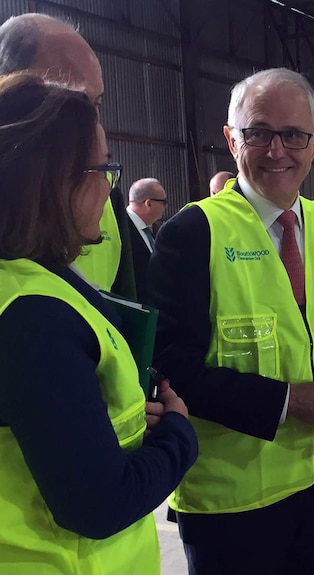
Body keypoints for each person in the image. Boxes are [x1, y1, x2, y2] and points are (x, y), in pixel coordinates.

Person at [148, 67, 314, 575]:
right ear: (231, 139)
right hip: (231, 507)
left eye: (293, 135)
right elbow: (171, 367)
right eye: (259, 132)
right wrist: (289, 400)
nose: (277, 150)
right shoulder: (193, 233)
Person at [0, 73, 197, 574]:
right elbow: (100, 502)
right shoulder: (33, 317)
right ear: (55, 179)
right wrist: (178, 435)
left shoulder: (30, 282)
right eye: (102, 168)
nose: (110, 188)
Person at [0, 13, 136, 299]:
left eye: (94, 104)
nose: (90, 122)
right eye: (68, 103)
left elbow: (126, 307)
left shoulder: (107, 194)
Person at [126, 178, 168, 302]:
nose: (165, 207)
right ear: (148, 203)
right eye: (164, 202)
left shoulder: (148, 230)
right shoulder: (121, 227)